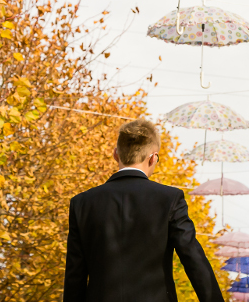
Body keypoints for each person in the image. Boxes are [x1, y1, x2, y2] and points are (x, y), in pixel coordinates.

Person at [63, 118, 224, 302]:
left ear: (116, 154)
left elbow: (75, 276)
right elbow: (193, 258)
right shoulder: (170, 199)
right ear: (153, 158)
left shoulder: (82, 203)